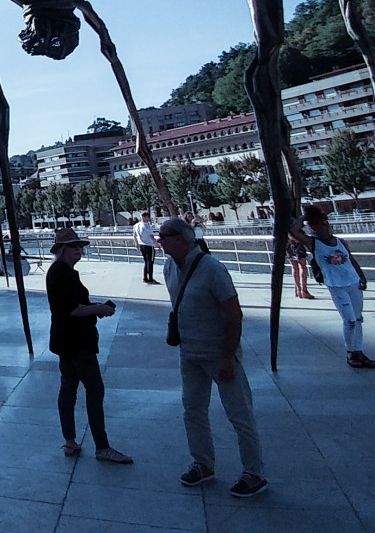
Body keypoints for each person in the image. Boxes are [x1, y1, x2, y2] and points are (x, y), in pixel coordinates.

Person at [159, 216, 267, 497]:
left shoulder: (212, 269)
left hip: (219, 353)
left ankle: (253, 472)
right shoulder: (169, 266)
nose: (159, 240)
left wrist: (228, 357)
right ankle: (202, 463)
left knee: (239, 414)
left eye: (165, 235)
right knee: (192, 410)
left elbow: (234, 314)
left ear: (183, 239)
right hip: (190, 352)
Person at [46, 228, 132, 464]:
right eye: (74, 247)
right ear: (62, 250)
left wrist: (95, 307)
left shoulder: (62, 271)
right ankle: (102, 446)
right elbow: (74, 309)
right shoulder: (62, 273)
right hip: (77, 341)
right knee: (94, 390)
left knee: (68, 389)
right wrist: (98, 309)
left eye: (80, 246)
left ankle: (70, 440)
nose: (79, 250)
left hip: (66, 340)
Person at [291, 205, 373, 368]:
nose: (325, 226)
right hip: (336, 286)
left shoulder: (340, 242)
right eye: (321, 224)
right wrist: (304, 217)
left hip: (353, 283)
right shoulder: (313, 243)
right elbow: (294, 231)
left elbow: (351, 260)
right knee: (349, 320)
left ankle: (359, 352)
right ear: (313, 227)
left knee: (358, 318)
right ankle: (351, 352)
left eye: (326, 222)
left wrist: (361, 276)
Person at [132, 211, 159, 283]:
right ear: (144, 217)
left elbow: (134, 235)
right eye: (147, 217)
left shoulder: (136, 225)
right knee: (150, 262)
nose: (148, 219)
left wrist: (136, 243)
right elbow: (151, 236)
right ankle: (150, 278)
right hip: (149, 245)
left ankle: (145, 278)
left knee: (146, 261)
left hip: (141, 245)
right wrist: (157, 244)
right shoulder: (147, 226)